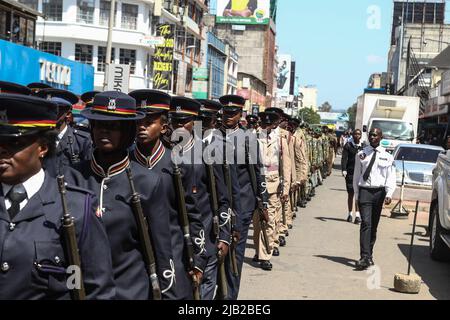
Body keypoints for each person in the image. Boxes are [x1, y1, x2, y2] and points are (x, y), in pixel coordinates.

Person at [0, 94, 115, 299]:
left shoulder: (75, 207)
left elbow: (95, 288)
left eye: (14, 143)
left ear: (42, 148)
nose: (2, 151)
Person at [65, 91, 176, 299]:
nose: (104, 131)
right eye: (99, 124)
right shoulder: (71, 177)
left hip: (130, 291)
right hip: (79, 290)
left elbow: (162, 249)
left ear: (128, 131)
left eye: (114, 126)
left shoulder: (148, 182)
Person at [129, 89, 207, 299]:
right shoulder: (124, 164)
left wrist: (198, 259)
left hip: (173, 260)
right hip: (132, 264)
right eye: (138, 120)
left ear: (164, 126)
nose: (142, 126)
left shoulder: (177, 164)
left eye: (149, 120)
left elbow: (192, 215)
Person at [353, 128, 396, 270]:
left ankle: (369, 254)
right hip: (365, 191)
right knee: (366, 223)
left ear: (380, 137)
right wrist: (357, 194)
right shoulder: (361, 154)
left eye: (375, 135)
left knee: (374, 226)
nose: (372, 137)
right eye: (370, 135)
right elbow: (356, 176)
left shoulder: (387, 156)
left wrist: (389, 193)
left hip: (379, 193)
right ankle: (364, 256)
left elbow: (391, 177)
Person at [34, 88, 92, 176]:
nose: (51, 113)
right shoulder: (36, 138)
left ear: (68, 113)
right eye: (48, 108)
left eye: (57, 109)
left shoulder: (82, 141)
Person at [341, 129, 365, 224]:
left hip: (360, 174)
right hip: (350, 173)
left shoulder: (363, 147)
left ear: (361, 136)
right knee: (351, 194)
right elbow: (344, 158)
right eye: (355, 134)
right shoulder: (348, 145)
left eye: (359, 134)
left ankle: (358, 215)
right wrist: (344, 169)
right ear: (353, 135)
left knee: (358, 195)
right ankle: (350, 214)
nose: (357, 135)